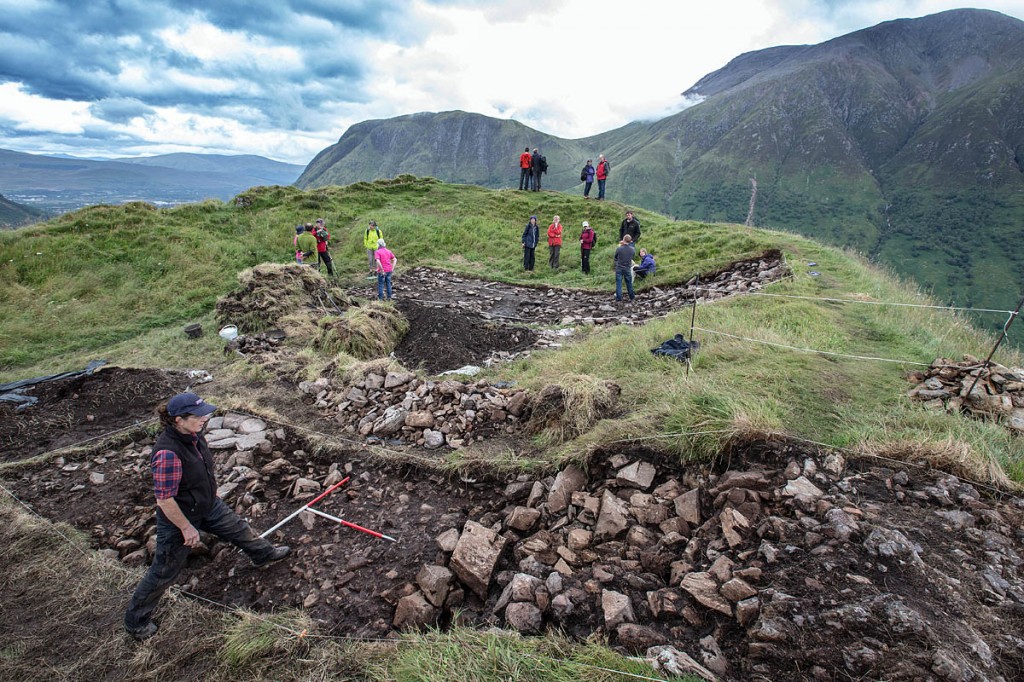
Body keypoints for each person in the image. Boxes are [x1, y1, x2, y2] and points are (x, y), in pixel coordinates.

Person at [124, 393, 290, 641]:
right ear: (179, 419)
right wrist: (187, 529)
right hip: (179, 518)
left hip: (207, 505)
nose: (205, 418)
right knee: (164, 571)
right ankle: (136, 622)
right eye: (199, 416)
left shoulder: (193, 435)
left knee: (239, 529)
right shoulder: (167, 453)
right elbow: (165, 500)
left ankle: (263, 554)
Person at [614, 234, 636, 303]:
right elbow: (632, 256)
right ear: (630, 241)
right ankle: (632, 297)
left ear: (623, 240)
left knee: (619, 283)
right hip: (627, 268)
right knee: (629, 283)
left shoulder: (619, 248)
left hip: (619, 267)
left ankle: (619, 298)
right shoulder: (632, 249)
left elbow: (615, 257)